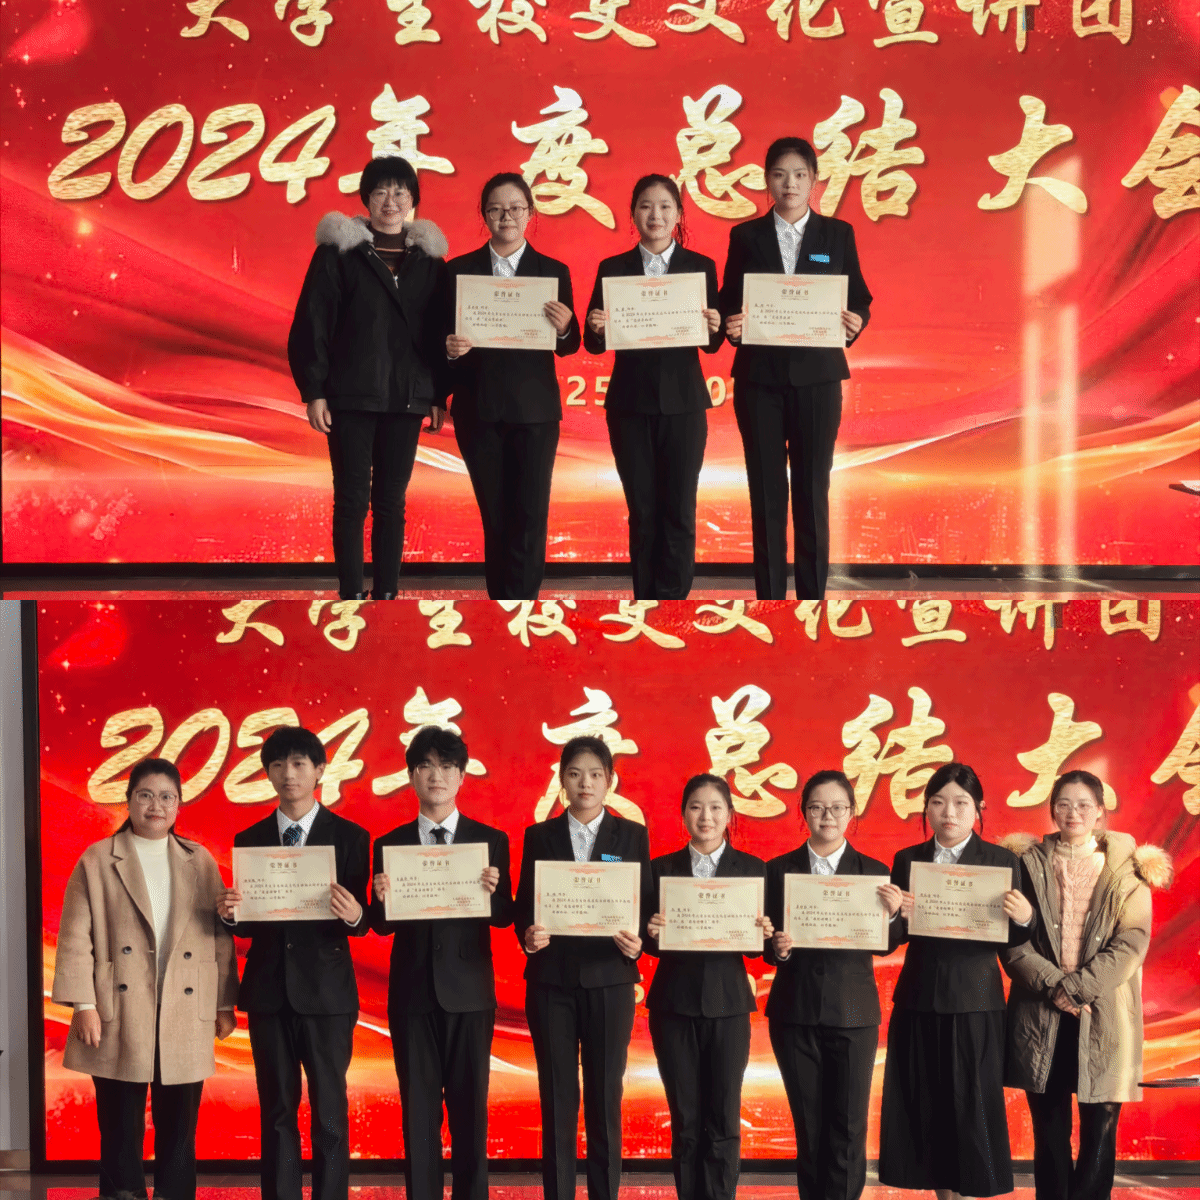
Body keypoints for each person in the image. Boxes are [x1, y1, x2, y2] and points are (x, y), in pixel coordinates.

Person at [52, 758, 238, 1200]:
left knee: (180, 1129)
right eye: (146, 795)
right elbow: (75, 936)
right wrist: (84, 1005)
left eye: (167, 797)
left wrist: (223, 1003)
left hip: (184, 1009)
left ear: (179, 805)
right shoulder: (98, 859)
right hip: (117, 1010)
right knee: (120, 1128)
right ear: (130, 800)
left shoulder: (200, 860)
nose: (156, 806)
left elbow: (219, 937)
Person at [1002, 770, 1173, 1200]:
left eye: (1083, 805)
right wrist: (1056, 987)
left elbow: (1132, 941)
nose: (1072, 813)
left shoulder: (1128, 869)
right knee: (1049, 1129)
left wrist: (1077, 988)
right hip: (1042, 1013)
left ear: (1099, 811)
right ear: (1052, 810)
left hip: (1104, 1011)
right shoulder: (1024, 864)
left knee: (1100, 1130)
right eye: (1063, 804)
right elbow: (1011, 941)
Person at [216, 727, 370, 1200]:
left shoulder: (350, 836)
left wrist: (356, 914)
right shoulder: (250, 838)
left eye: (300, 763)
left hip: (328, 995)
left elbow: (362, 922)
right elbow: (248, 923)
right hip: (268, 993)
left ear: (320, 770)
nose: (289, 774)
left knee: (329, 1111)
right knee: (277, 1111)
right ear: (267, 773)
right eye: (278, 764)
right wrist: (231, 915)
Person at [288, 154, 450, 599]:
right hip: (350, 396)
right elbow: (313, 323)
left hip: (407, 398)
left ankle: (388, 596)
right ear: (366, 199)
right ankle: (351, 594)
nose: (390, 201)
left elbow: (440, 331)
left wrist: (438, 395)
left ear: (413, 200)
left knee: (392, 503)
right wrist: (315, 390)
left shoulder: (431, 262)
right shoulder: (339, 253)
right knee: (352, 499)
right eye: (381, 191)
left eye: (400, 192)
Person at [718, 136, 872, 601]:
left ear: (814, 180)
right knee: (766, 493)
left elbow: (859, 297)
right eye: (780, 175)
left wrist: (855, 321)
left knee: (811, 490)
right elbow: (728, 300)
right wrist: (732, 325)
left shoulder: (837, 234)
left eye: (800, 175)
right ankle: (770, 602)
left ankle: (811, 603)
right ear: (767, 180)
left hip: (818, 380)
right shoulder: (746, 237)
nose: (790, 184)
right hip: (759, 381)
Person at [369, 726, 514, 1200]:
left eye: (447, 766)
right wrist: (380, 899)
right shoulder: (389, 844)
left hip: (469, 995)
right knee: (418, 1114)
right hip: (412, 996)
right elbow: (380, 926)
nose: (437, 775)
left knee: (471, 1113)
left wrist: (493, 892)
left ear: (461, 776)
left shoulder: (489, 840)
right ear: (412, 776)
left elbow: (504, 916)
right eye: (426, 766)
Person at [878, 762, 1035, 1200]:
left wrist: (1026, 918)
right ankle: (943, 1196)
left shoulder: (1001, 861)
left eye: (961, 803)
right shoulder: (908, 860)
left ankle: (970, 1194)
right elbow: (894, 937)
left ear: (979, 807)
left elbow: (1014, 938)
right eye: (938, 802)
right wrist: (892, 914)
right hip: (920, 997)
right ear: (926, 808)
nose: (949, 812)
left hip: (975, 1000)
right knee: (925, 1104)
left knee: (972, 1104)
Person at [514, 736, 653, 1200]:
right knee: (556, 1098)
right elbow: (523, 907)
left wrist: (639, 941)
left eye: (595, 774)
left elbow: (644, 904)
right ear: (562, 781)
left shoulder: (631, 836)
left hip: (611, 981)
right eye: (575, 774)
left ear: (610, 780)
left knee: (604, 1097)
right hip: (551, 983)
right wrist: (528, 937)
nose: (585, 783)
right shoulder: (539, 837)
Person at [584, 175, 724, 599]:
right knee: (642, 511)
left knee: (679, 510)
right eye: (646, 206)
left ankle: (674, 603)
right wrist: (596, 327)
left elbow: (712, 343)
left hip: (684, 404)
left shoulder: (700, 267)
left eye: (665, 206)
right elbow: (593, 342)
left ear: (678, 214)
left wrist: (715, 325)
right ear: (633, 214)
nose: (655, 215)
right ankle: (645, 603)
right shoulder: (613, 269)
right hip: (630, 404)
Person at [764, 770, 902, 1200]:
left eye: (838, 807)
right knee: (809, 1126)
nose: (828, 816)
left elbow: (886, 944)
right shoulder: (777, 871)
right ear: (804, 813)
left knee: (848, 1127)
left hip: (853, 1014)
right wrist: (777, 947)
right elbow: (763, 942)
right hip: (794, 1013)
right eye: (818, 807)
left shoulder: (874, 872)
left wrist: (893, 915)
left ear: (852, 812)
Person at [443, 172, 581, 599]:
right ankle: (500, 606)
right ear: (484, 215)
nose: (507, 216)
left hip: (535, 414)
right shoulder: (458, 271)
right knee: (496, 517)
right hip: (478, 411)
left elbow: (569, 345)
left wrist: (565, 327)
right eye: (497, 209)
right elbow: (434, 339)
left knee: (530, 516)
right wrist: (449, 349)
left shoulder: (552, 272)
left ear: (530, 213)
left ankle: (523, 606)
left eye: (516, 208)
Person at [643, 774, 771, 1200]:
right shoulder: (661, 869)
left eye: (716, 807)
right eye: (696, 807)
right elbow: (645, 942)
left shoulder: (751, 870)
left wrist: (764, 932)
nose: (706, 816)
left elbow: (757, 949)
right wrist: (651, 931)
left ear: (729, 814)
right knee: (685, 1119)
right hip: (673, 1005)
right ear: (683, 814)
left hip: (729, 1005)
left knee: (723, 1119)